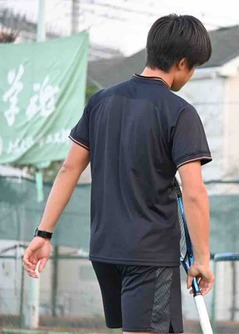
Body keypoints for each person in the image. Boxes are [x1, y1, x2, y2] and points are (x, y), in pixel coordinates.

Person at [23, 14, 214, 334]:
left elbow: (69, 169)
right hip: (149, 255)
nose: (190, 76)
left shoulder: (100, 101)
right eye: (194, 68)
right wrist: (203, 259)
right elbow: (194, 193)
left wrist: (43, 234)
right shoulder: (179, 112)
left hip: (105, 251)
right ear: (182, 63)